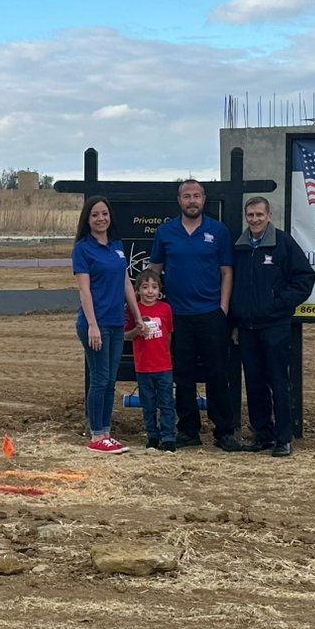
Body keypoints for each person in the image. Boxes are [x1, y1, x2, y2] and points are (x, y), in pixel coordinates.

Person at [148, 179, 242, 451]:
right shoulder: (166, 231)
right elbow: (154, 269)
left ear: (204, 200)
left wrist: (222, 309)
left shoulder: (218, 230)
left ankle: (224, 431)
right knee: (184, 375)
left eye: (197, 196)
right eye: (187, 196)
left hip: (211, 313)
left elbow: (227, 272)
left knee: (217, 373)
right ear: (179, 200)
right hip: (177, 315)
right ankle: (188, 430)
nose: (192, 201)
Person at [229, 196, 315, 457]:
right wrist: (235, 322)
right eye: (250, 215)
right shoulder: (240, 247)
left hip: (275, 325)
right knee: (254, 383)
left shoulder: (283, 243)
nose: (254, 219)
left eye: (259, 214)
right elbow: (234, 286)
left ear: (269, 215)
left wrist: (279, 304)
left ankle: (283, 438)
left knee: (278, 381)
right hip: (246, 328)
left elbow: (304, 278)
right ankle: (262, 435)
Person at [73, 195, 142, 454]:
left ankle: (106, 433)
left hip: (116, 323)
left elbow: (126, 283)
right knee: (99, 380)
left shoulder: (117, 246)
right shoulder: (83, 248)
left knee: (110, 380)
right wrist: (92, 324)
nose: (101, 218)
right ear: (87, 220)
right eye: (95, 215)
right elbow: (84, 290)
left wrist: (136, 316)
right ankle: (96, 434)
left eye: (104, 214)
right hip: (95, 323)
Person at [124, 269, 176, 452]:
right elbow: (126, 335)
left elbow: (168, 335)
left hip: (163, 365)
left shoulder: (165, 309)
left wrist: (164, 355)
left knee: (167, 402)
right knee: (148, 404)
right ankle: (152, 436)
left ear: (159, 290)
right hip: (143, 366)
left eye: (154, 287)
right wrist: (137, 332)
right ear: (138, 290)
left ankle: (168, 436)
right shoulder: (133, 309)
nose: (149, 291)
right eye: (145, 287)